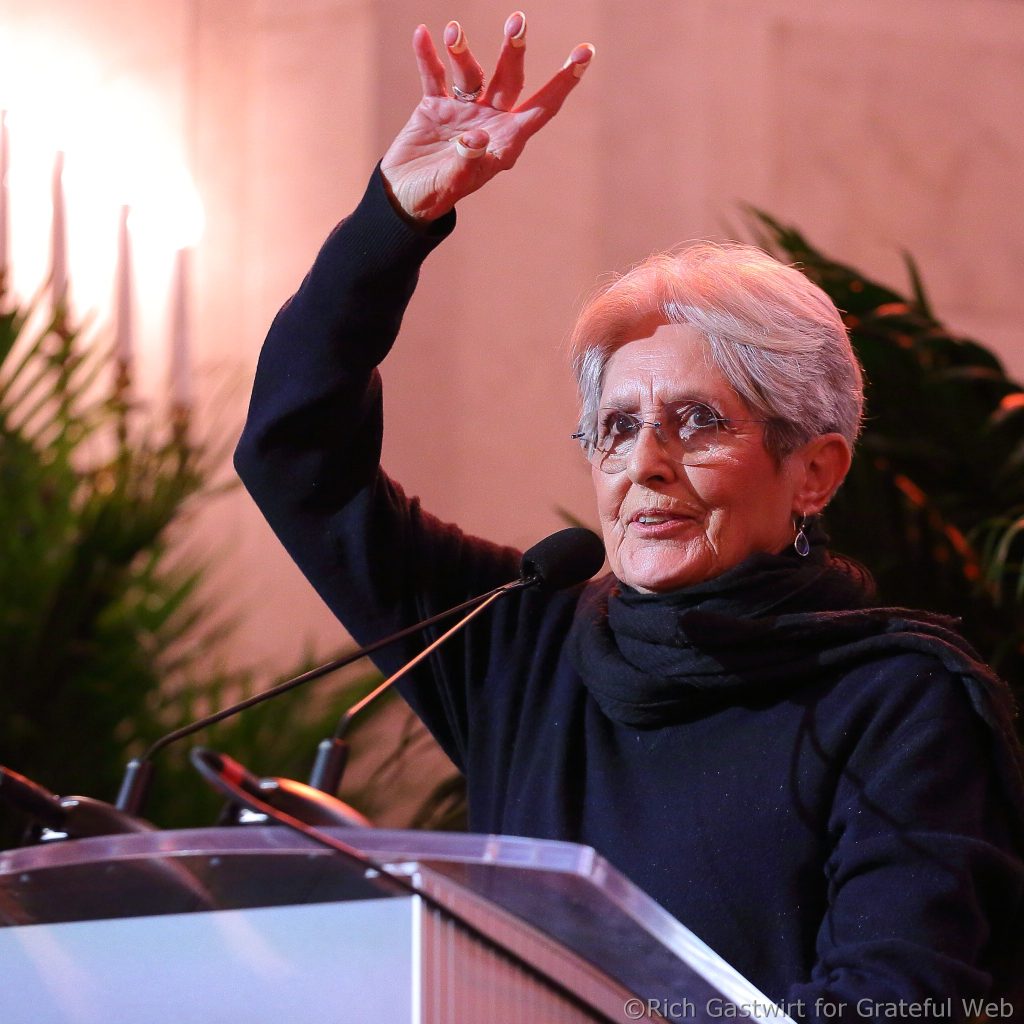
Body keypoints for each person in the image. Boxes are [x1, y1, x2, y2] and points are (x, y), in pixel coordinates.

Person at [234, 12, 1024, 1020]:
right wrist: (393, 218)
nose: (644, 464)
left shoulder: (901, 704)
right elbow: (294, 455)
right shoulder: (518, 644)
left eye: (698, 422)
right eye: (615, 427)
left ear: (814, 471)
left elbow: (894, 1001)